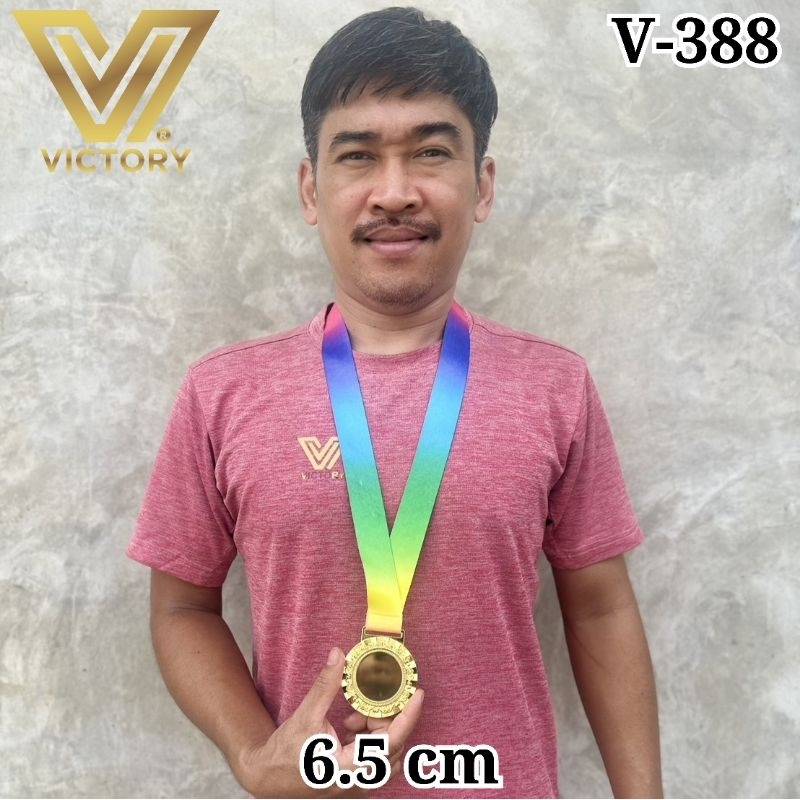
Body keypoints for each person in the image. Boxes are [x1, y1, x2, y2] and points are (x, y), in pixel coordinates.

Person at [128, 7, 663, 798]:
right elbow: (181, 608)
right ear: (311, 189)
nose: (394, 192)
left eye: (431, 152)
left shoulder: (554, 387)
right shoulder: (224, 393)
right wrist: (252, 755)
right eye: (358, 156)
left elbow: (600, 610)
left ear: (482, 185)